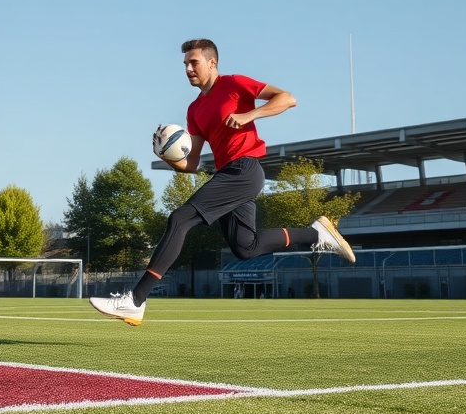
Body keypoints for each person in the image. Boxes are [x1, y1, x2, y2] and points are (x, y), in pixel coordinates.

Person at [89, 38, 355, 326]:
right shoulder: (194, 110)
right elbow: (190, 165)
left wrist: (249, 114)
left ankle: (135, 300)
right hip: (228, 173)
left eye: (194, 62)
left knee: (179, 220)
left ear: (212, 62)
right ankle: (316, 234)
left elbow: (287, 98)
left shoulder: (235, 84)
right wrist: (164, 154)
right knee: (245, 247)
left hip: (245, 169)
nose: (189, 69)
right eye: (185, 64)